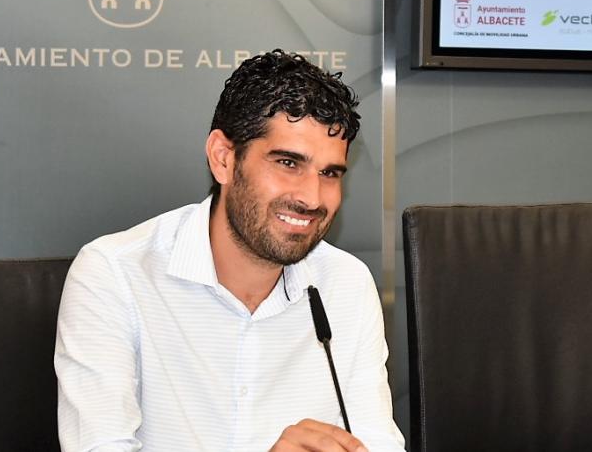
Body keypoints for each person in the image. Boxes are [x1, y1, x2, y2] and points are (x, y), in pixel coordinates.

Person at [55, 50, 405, 452]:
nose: (312, 197)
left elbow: (377, 441)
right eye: (288, 162)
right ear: (223, 158)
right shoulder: (114, 274)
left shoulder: (347, 283)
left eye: (329, 173)